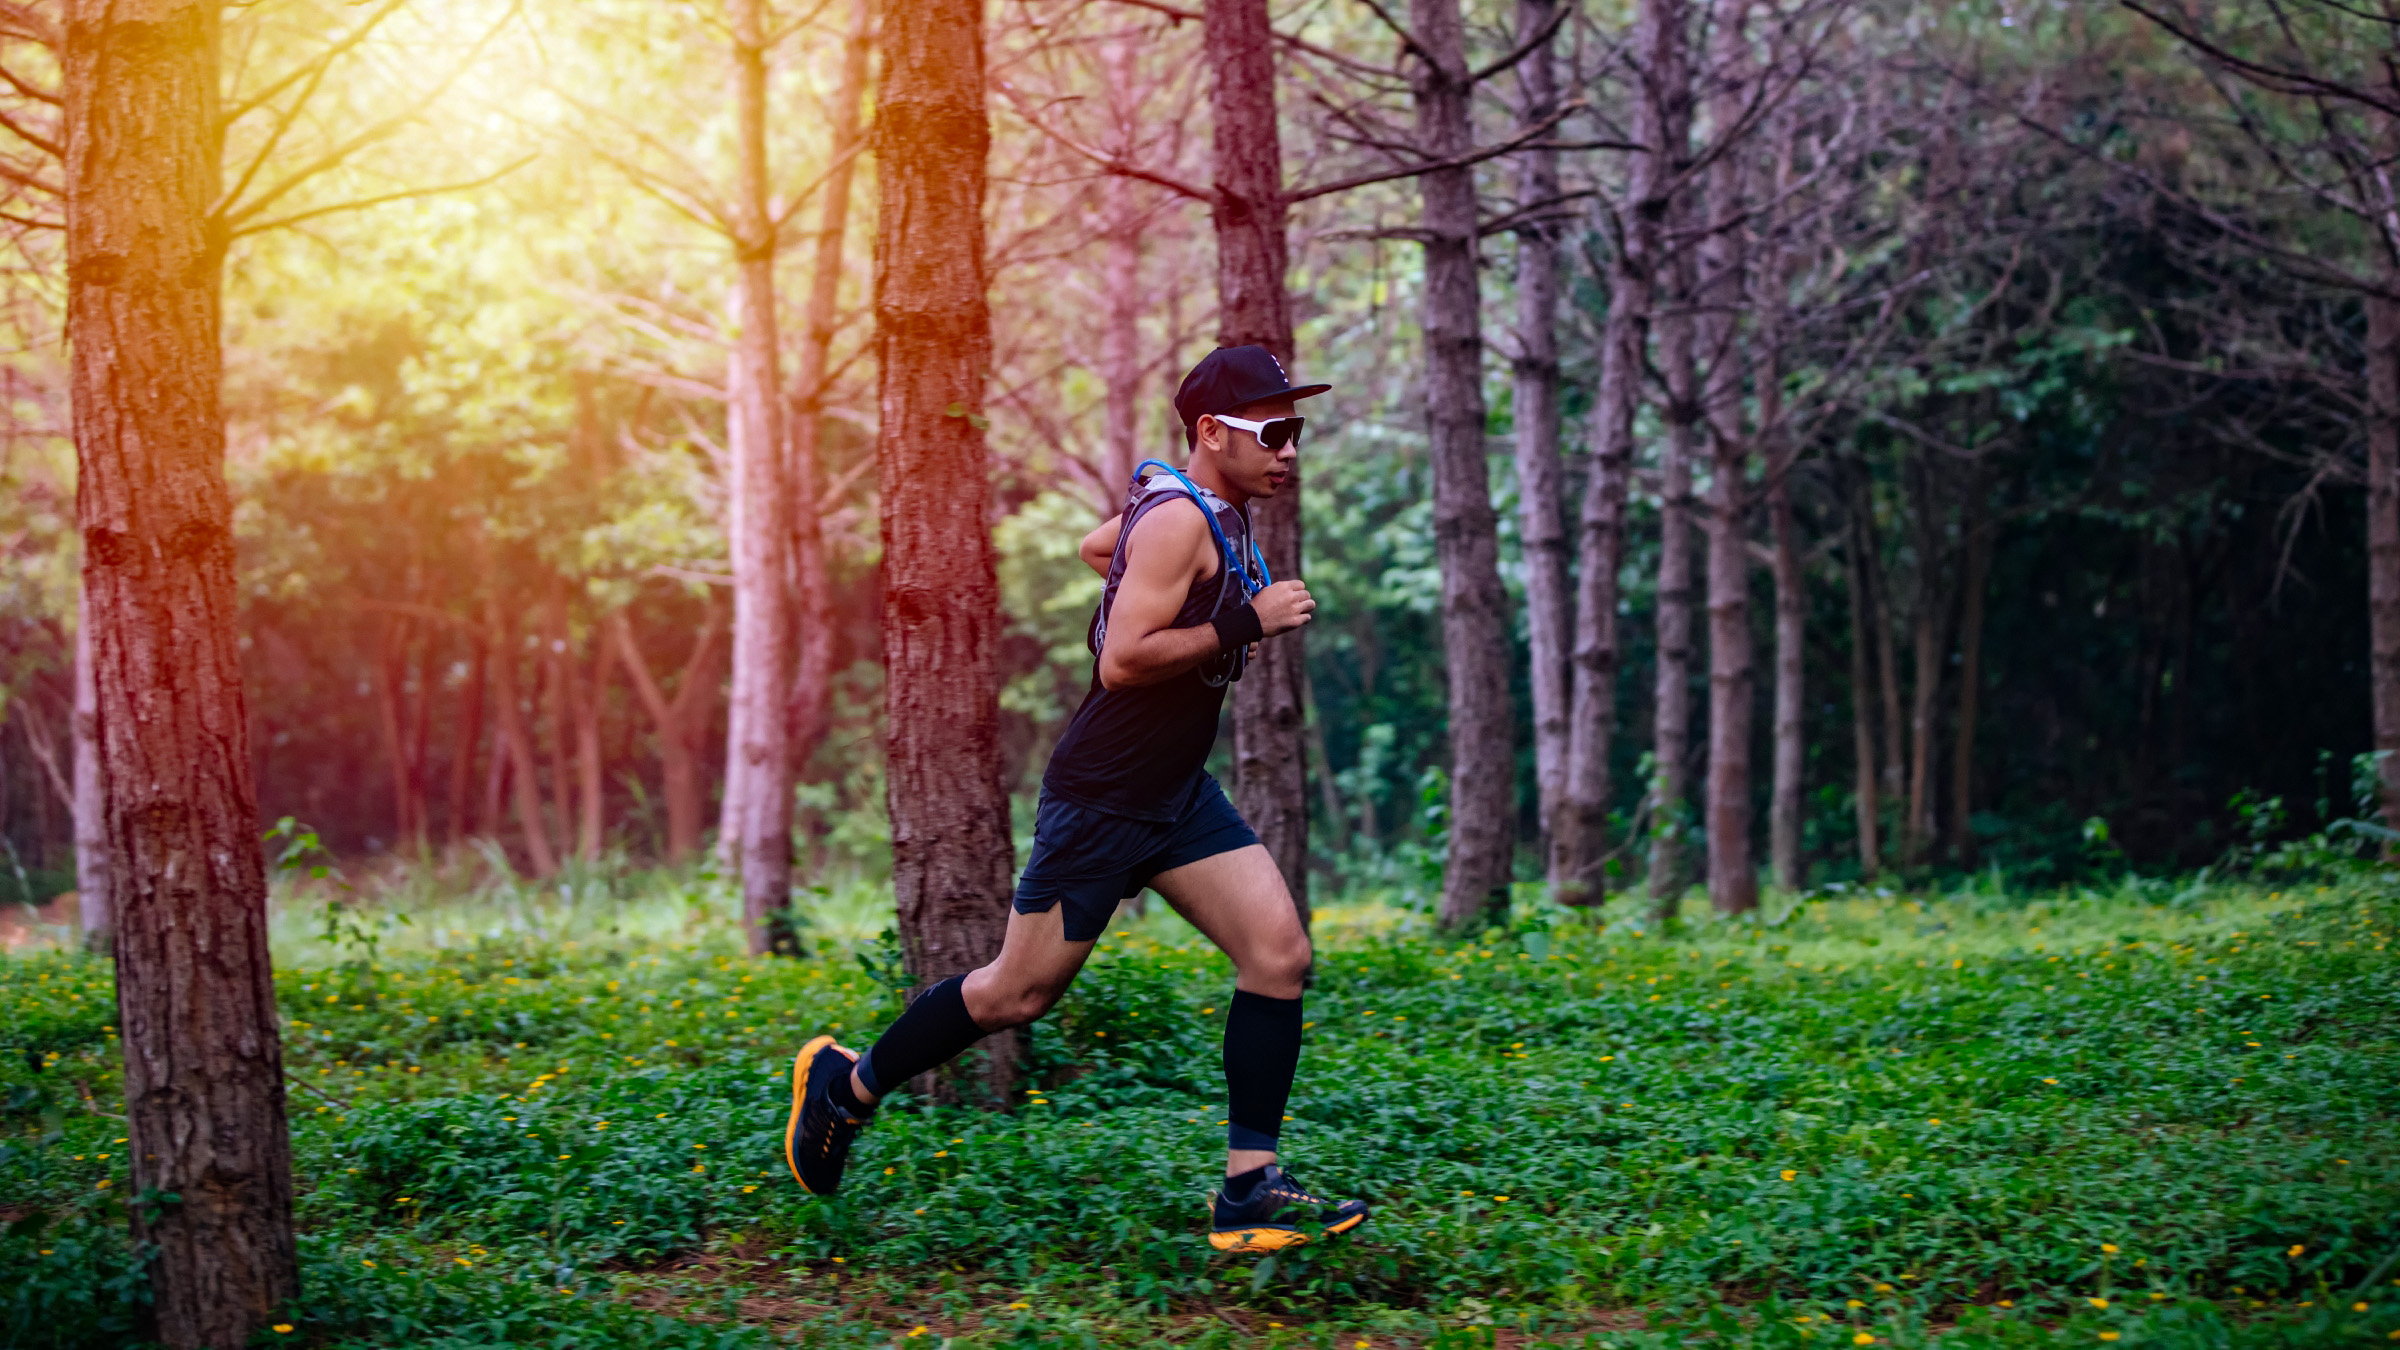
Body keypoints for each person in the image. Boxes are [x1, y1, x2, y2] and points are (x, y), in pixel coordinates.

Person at [782, 345, 1368, 1254]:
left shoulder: (1208, 511)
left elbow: (1103, 545)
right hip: (1103, 797)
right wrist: (1244, 619)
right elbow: (1122, 661)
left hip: (1173, 793)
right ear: (1212, 433)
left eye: (1298, 431)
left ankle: (1249, 1191)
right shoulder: (1182, 521)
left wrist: (1153, 561)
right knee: (1016, 996)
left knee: (1279, 956)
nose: (1291, 450)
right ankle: (845, 1085)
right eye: (1274, 431)